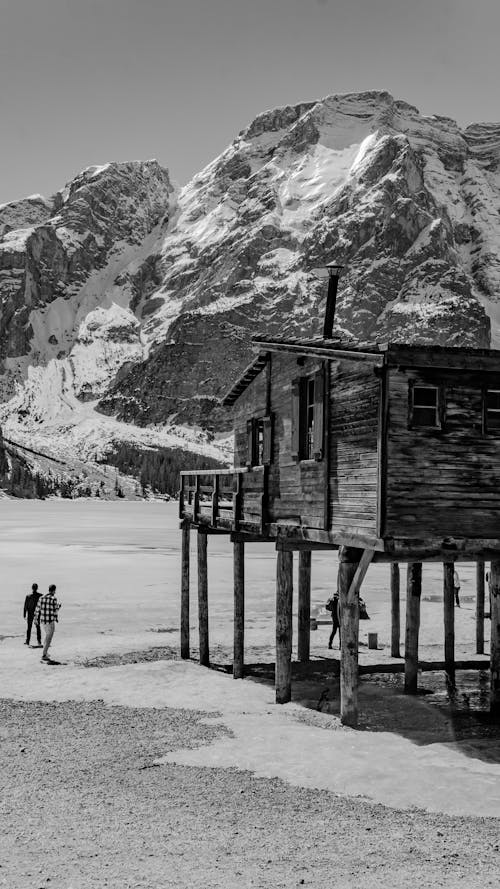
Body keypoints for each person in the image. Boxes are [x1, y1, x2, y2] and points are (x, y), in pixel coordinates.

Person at [34, 584, 61, 662]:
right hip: (50, 621)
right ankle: (44, 654)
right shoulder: (53, 599)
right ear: (54, 590)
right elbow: (55, 610)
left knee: (47, 636)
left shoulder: (41, 598)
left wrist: (36, 619)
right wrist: (58, 607)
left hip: (43, 621)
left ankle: (45, 652)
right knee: (49, 638)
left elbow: (37, 609)